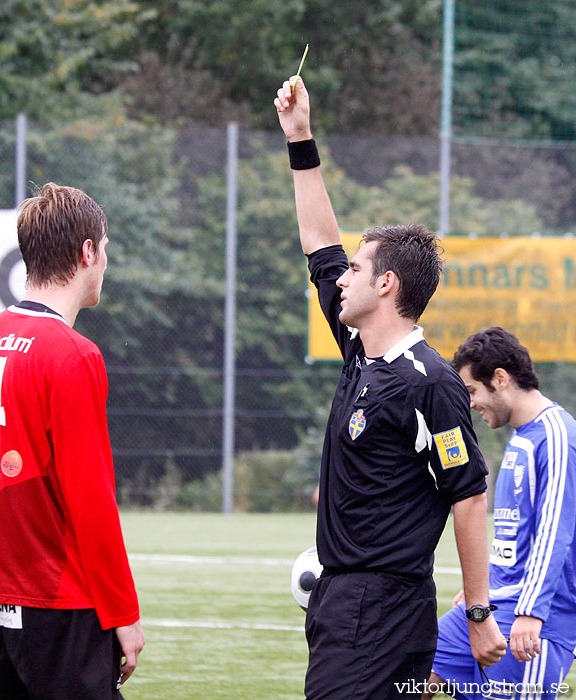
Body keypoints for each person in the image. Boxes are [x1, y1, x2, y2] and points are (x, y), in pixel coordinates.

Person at [273, 77, 507, 699]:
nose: (340, 277)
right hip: (344, 602)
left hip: (381, 611)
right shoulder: (359, 351)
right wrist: (300, 139)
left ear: (387, 286)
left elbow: (468, 497)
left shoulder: (428, 383)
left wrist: (479, 612)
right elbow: (319, 243)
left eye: (357, 268)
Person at [0, 183, 144, 700]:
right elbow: (90, 502)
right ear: (88, 251)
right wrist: (124, 614)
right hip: (57, 603)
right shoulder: (72, 354)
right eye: (105, 247)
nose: (106, 261)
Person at [423, 327, 576, 700]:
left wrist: (531, 614)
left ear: (501, 379)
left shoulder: (556, 436)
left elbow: (554, 533)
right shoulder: (522, 435)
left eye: (472, 391)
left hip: (536, 616)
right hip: (495, 603)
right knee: (414, 673)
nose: (470, 404)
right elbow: (516, 534)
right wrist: (483, 584)